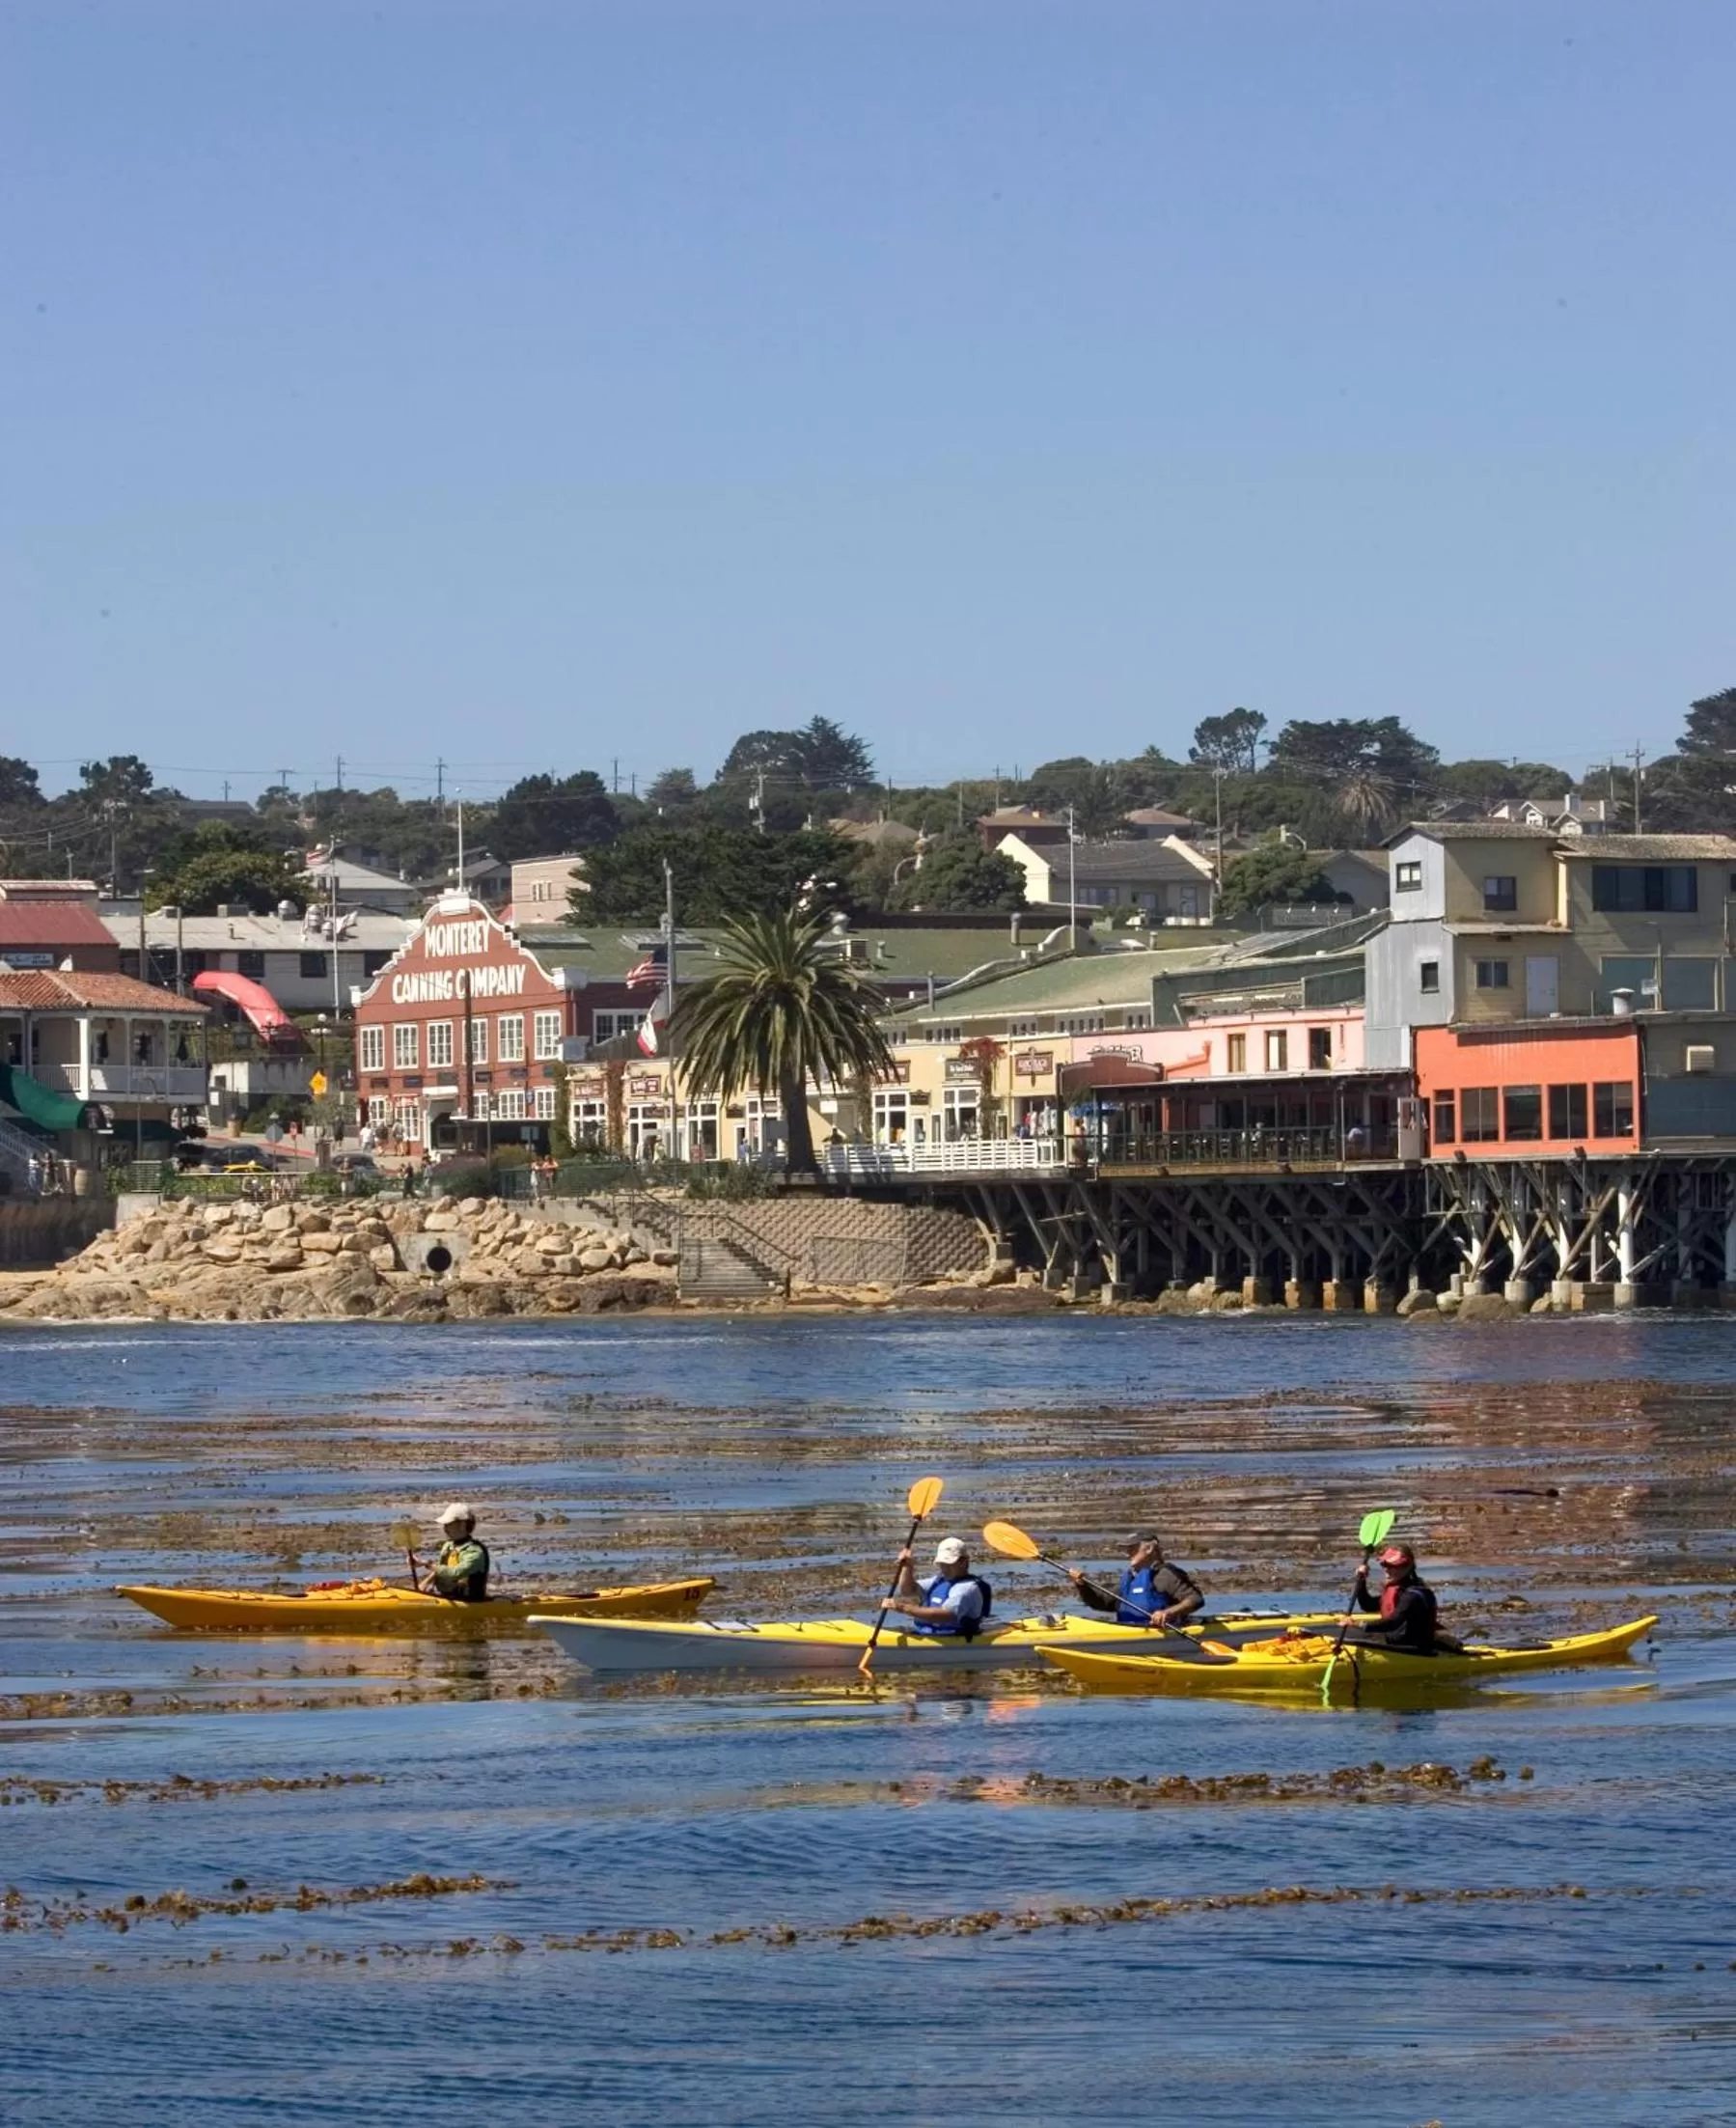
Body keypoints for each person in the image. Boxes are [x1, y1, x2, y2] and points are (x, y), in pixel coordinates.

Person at [1068, 1530, 1205, 1629]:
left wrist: (1167, 1613)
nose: (1127, 1554)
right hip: (1130, 1632)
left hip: (1164, 1633)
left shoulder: (1165, 1574)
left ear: (1149, 1549)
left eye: (1132, 1549)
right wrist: (1082, 1585)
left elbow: (1195, 1599)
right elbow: (1101, 1603)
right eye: (1126, 1549)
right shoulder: (1129, 1578)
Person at [885, 1536, 991, 1639]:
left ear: (963, 1562)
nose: (945, 1568)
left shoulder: (967, 1589)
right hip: (926, 1634)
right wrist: (907, 1567)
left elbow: (945, 1615)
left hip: (955, 1639)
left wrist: (903, 1608)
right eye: (942, 1563)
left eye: (949, 1564)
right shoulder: (937, 1581)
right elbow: (907, 1591)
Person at [1344, 1541, 1439, 1652]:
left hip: (1414, 1650)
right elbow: (1368, 1605)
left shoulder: (1413, 1595)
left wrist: (1358, 1624)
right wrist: (1361, 1581)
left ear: (1408, 1567)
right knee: (1342, 1630)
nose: (1387, 1570)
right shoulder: (1397, 1588)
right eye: (1385, 1565)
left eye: (1393, 1566)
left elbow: (1392, 1623)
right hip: (1394, 1640)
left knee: (1351, 1632)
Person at [421, 1503, 491, 1602]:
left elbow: (456, 1573)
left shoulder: (475, 1552)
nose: (445, 1529)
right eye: (444, 1525)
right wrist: (425, 1583)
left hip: (469, 1601)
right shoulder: (448, 1545)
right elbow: (440, 1570)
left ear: (462, 1525)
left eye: (448, 1524)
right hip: (447, 1597)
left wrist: (428, 1564)